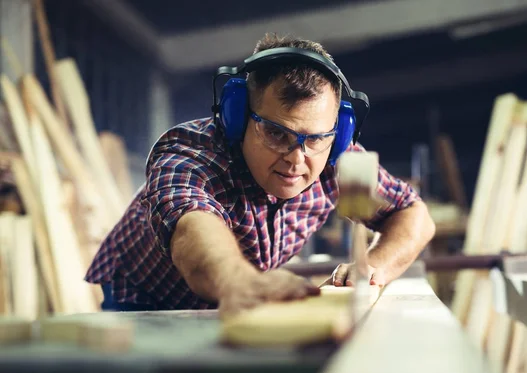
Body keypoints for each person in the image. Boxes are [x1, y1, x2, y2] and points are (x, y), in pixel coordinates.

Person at [84, 33, 436, 318]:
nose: (297, 159)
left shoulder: (340, 159)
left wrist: (373, 267)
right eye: (276, 134)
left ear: (340, 133)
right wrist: (238, 280)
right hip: (146, 300)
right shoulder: (191, 152)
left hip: (238, 296)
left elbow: (413, 215)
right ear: (237, 116)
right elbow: (193, 227)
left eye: (316, 139)